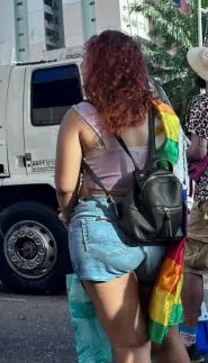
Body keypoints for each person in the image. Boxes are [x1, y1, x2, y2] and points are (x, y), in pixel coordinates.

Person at [55, 30, 188, 363]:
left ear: (94, 69)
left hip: (102, 228)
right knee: (165, 334)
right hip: (158, 226)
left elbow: (65, 186)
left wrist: (69, 214)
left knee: (131, 345)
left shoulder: (79, 116)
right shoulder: (159, 112)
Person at [182, 48, 208, 360]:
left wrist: (181, 150)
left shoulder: (203, 103)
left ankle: (188, 340)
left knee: (192, 266)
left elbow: (199, 152)